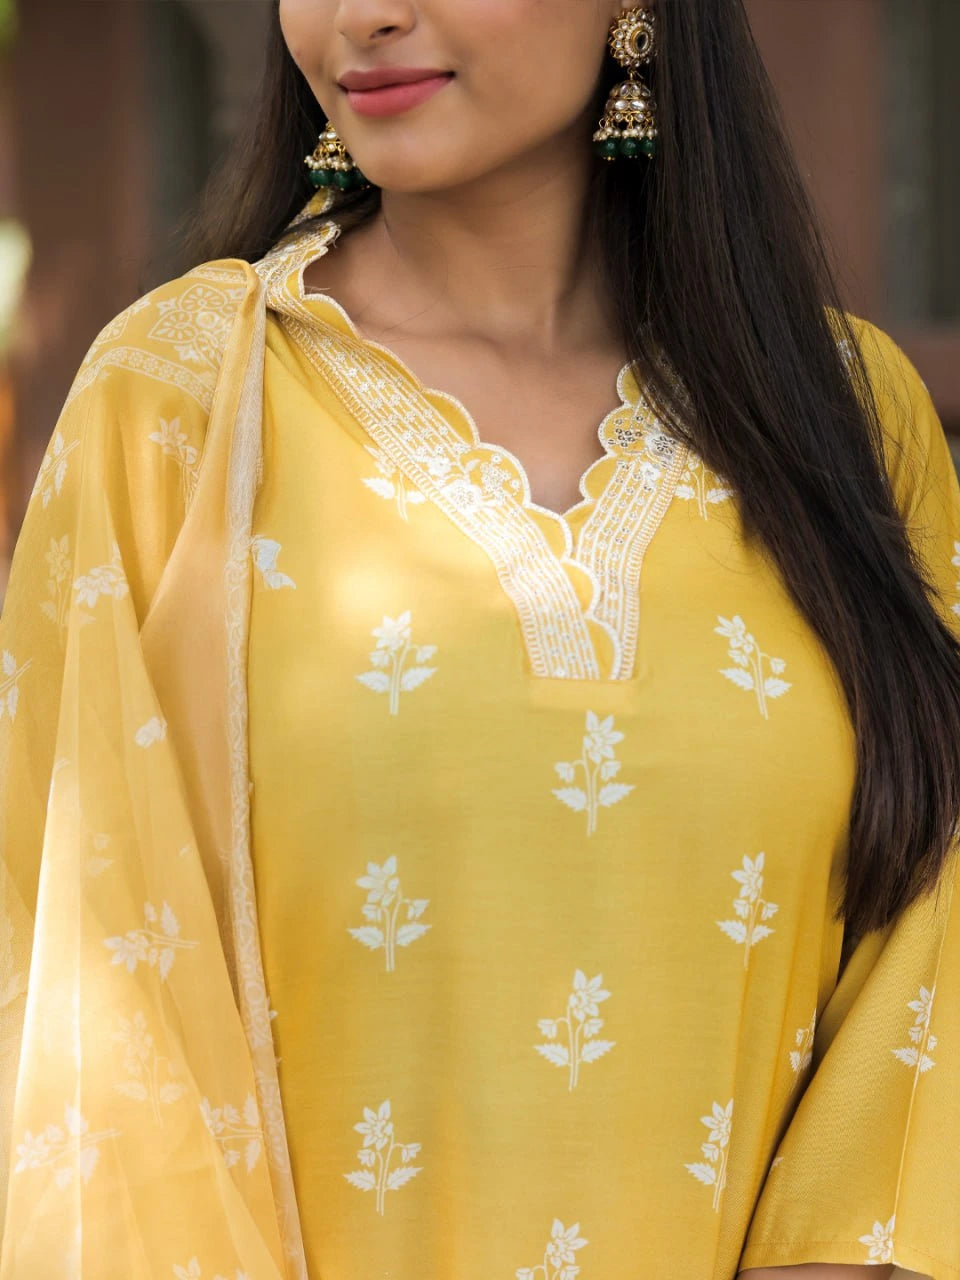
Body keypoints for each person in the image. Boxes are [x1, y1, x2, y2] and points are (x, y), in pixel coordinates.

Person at [1, 1, 958, 1277]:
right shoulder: (179, 405)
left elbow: (934, 924)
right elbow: (83, 1006)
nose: (363, 14)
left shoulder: (850, 418)